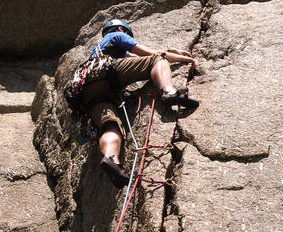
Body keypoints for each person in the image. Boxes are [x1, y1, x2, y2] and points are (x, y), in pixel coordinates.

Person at [82, 18, 199, 188]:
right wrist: (185, 59)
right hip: (107, 73)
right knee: (157, 60)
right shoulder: (117, 34)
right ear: (122, 29)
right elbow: (150, 54)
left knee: (110, 125)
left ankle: (111, 160)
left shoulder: (99, 49)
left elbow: (147, 54)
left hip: (88, 90)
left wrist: (172, 52)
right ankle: (170, 92)